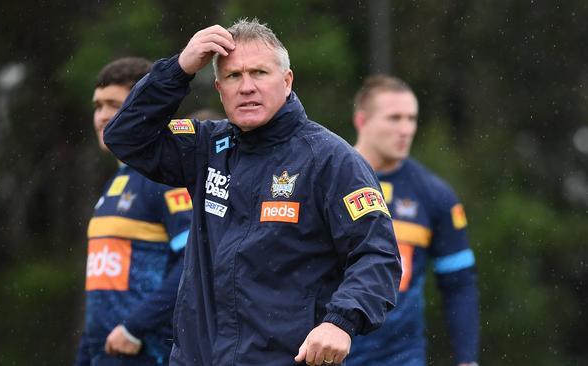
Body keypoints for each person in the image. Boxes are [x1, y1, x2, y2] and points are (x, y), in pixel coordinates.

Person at [103, 19, 402, 366]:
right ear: (218, 88)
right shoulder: (207, 147)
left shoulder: (332, 160)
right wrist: (179, 69)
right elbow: (124, 135)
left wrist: (341, 323)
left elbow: (377, 254)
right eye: (233, 76)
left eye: (259, 73)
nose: (246, 87)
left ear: (287, 81)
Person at [347, 75, 480, 366]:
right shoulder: (326, 177)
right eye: (394, 118)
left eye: (411, 119)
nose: (405, 129)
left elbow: (459, 284)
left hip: (400, 357)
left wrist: (467, 359)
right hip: (327, 352)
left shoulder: (435, 195)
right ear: (362, 121)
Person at [75, 57, 193, 366]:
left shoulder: (164, 177)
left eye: (113, 105)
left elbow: (192, 260)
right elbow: (102, 293)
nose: (102, 117)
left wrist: (134, 327)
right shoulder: (116, 182)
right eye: (97, 106)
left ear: (142, 105)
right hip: (106, 353)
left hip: (149, 352)